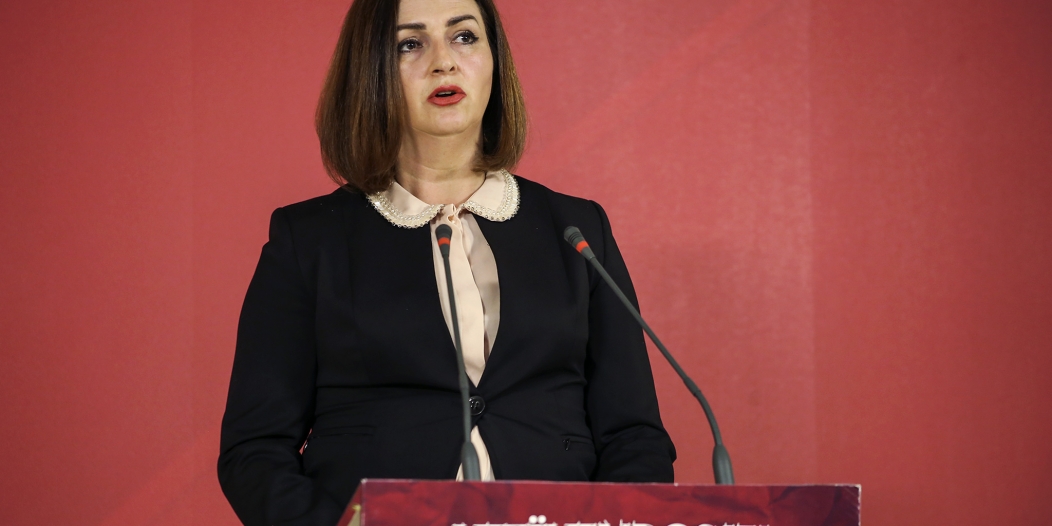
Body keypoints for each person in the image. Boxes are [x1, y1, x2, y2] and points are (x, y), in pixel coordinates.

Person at [217, 0, 676, 524]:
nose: (444, 62)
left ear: (494, 59)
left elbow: (634, 435)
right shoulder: (310, 240)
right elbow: (255, 452)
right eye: (410, 44)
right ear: (370, 71)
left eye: (464, 37)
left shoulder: (576, 228)